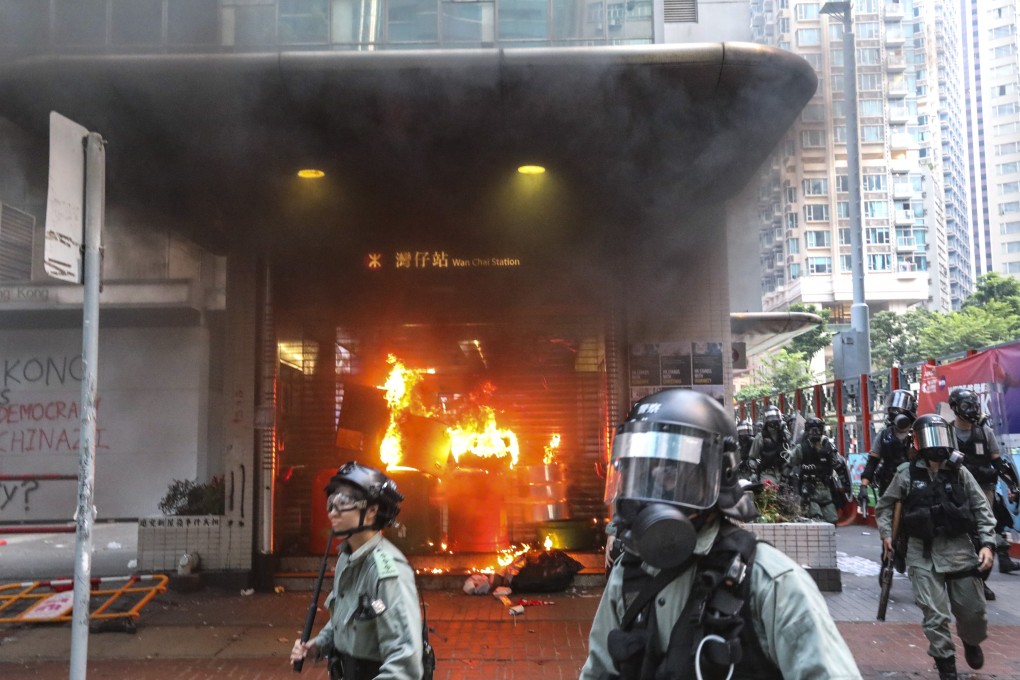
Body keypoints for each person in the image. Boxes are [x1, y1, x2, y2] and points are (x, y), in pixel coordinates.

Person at [580, 388, 862, 680]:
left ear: (719, 476)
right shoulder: (629, 574)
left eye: (671, 474)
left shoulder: (771, 583)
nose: (653, 493)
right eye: (643, 473)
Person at [875, 413, 996, 680]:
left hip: (960, 550)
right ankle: (946, 667)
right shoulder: (906, 474)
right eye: (931, 438)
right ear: (917, 442)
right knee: (935, 615)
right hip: (922, 553)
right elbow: (884, 507)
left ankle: (971, 640)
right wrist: (886, 535)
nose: (937, 445)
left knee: (973, 613)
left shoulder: (959, 471)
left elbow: (981, 508)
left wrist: (987, 543)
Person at [290, 461, 424, 680]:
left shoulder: (387, 571)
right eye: (331, 503)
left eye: (343, 502)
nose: (333, 512)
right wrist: (318, 645)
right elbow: (345, 618)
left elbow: (405, 661)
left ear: (371, 511)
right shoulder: (346, 557)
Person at [948, 387, 1020, 577]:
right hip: (956, 491)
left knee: (987, 530)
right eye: (966, 405)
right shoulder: (946, 432)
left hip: (983, 489)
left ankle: (981, 580)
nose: (971, 409)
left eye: (974, 405)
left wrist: (1013, 485)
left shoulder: (984, 432)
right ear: (955, 407)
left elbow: (997, 461)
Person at [859, 389, 917, 504]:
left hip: (913, 487)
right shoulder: (884, 434)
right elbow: (873, 461)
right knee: (884, 519)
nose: (894, 412)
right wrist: (863, 487)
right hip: (888, 485)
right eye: (893, 408)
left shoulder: (918, 432)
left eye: (899, 408)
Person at [787, 416, 849, 524]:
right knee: (816, 519)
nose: (815, 432)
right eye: (812, 429)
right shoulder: (801, 447)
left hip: (826, 488)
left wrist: (845, 484)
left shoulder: (828, 447)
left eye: (818, 429)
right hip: (809, 490)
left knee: (832, 519)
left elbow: (838, 465)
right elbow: (790, 464)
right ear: (807, 430)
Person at [748, 405, 793, 486]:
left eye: (776, 418)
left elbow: (793, 451)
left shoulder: (786, 435)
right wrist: (754, 472)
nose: (775, 421)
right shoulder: (760, 438)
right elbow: (752, 458)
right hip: (767, 473)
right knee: (769, 494)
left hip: (784, 473)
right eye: (771, 419)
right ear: (766, 421)